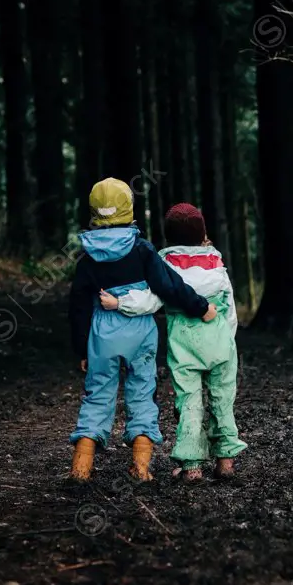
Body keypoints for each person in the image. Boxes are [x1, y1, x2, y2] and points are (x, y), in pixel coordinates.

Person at [68, 180, 217, 483]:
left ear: (94, 213)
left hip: (102, 334)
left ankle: (81, 469)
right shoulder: (143, 249)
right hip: (140, 333)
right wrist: (199, 306)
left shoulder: (87, 257)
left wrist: (82, 348)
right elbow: (169, 286)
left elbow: (78, 306)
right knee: (141, 394)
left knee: (97, 396)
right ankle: (141, 467)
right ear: (130, 210)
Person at [99, 203, 247, 482]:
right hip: (220, 342)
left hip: (185, 346)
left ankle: (192, 467)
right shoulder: (215, 261)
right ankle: (226, 462)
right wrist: (229, 339)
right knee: (222, 400)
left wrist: (119, 302)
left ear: (169, 236)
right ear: (202, 232)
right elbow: (229, 307)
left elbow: (151, 300)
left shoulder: (164, 263)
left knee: (189, 402)